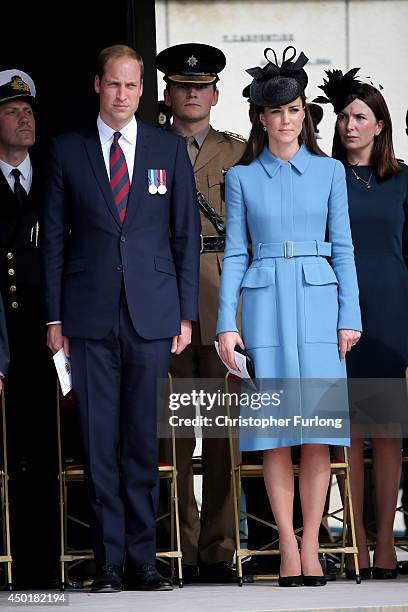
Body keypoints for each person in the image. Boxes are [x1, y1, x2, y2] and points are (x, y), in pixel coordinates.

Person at [42, 44, 200, 593]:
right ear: (97, 85)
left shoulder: (168, 149)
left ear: (142, 91)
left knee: (141, 441)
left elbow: (185, 237)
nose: (124, 95)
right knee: (97, 439)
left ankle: (142, 559)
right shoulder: (68, 150)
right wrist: (53, 317)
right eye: (115, 84)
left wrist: (186, 314)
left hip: (153, 314)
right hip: (87, 316)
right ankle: (107, 562)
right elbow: (55, 244)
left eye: (133, 86)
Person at [216, 46, 362, 587]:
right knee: (274, 433)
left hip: (321, 306)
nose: (285, 119)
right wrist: (225, 325)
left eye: (294, 109)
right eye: (275, 111)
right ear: (260, 117)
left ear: (305, 114)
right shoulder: (241, 178)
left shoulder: (328, 172)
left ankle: (310, 544)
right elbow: (234, 252)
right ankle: (283, 547)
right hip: (263, 307)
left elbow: (344, 248)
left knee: (318, 433)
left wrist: (350, 315)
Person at [155, 43, 245, 583]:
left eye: (201, 85)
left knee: (220, 434)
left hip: (220, 301)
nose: (191, 92)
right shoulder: (144, 147)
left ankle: (216, 549)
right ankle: (178, 549)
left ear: (215, 94)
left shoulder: (238, 153)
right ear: (167, 93)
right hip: (162, 299)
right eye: (182, 84)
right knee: (169, 436)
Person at [316, 68, 408, 579]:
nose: (349, 125)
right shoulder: (324, 175)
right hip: (337, 311)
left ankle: (387, 545)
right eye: (344, 117)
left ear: (379, 125)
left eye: (360, 117)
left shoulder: (403, 179)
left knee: (389, 430)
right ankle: (352, 539)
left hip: (393, 308)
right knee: (346, 430)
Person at [0, 69, 58, 588]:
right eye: (12, 111)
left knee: (46, 454)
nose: (24, 119)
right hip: (3, 340)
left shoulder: (54, 174)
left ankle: (45, 567)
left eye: (29, 111)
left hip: (48, 338)